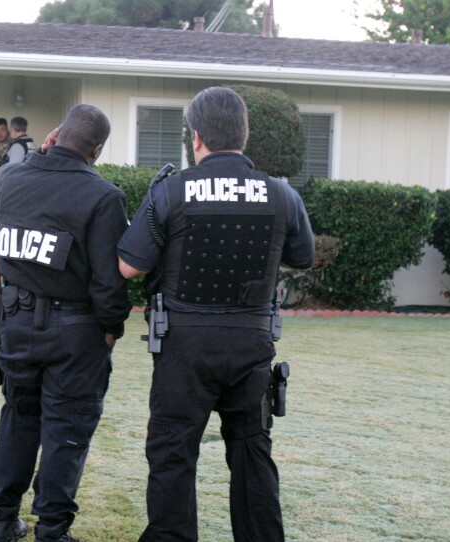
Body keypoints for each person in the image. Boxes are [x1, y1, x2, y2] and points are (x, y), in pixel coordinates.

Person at [117, 87, 315, 542]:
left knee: (172, 453)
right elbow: (302, 257)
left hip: (184, 347)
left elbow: (129, 265)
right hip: (251, 343)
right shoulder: (282, 194)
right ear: (244, 136)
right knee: (252, 451)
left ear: (196, 137)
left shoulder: (171, 190)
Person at [0, 104, 131, 542]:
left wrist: (37, 154)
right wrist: (112, 329)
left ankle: (1, 521)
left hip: (13, 321)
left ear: (56, 134)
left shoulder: (13, 179)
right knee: (66, 426)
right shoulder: (104, 197)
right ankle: (52, 530)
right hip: (74, 331)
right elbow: (108, 283)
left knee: (19, 417)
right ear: (97, 149)